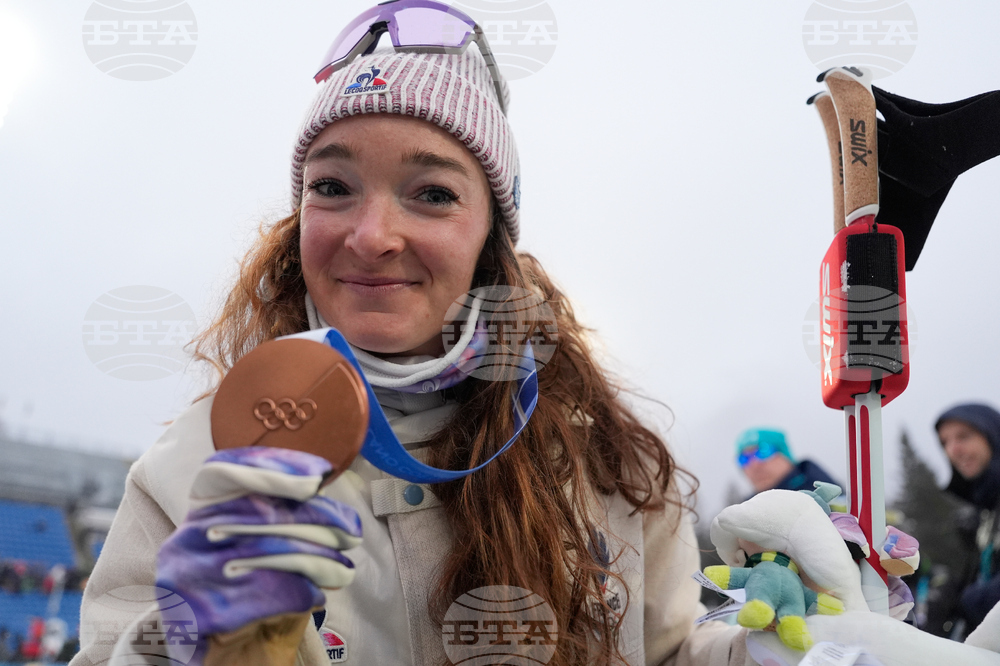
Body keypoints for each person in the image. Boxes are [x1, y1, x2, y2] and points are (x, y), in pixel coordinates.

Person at [68, 4, 1000, 665]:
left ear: (491, 237)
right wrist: (178, 647)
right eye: (333, 185)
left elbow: (670, 651)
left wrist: (772, 647)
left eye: (432, 192)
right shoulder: (197, 467)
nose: (372, 234)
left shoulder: (604, 461)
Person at [933, 403, 1000, 638]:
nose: (953, 450)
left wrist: (967, 602)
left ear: (993, 436)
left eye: (964, 436)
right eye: (945, 442)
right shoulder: (984, 513)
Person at [735, 428, 839, 495]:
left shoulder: (827, 498)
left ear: (786, 456)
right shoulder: (743, 514)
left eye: (763, 452)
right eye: (744, 459)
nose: (754, 465)